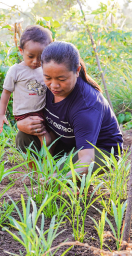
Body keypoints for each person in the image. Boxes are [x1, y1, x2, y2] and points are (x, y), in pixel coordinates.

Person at [16, 41, 123, 175]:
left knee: (62, 172)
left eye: (61, 79)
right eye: (48, 77)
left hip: (99, 151)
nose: (54, 85)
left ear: (77, 71)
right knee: (24, 136)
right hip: (68, 142)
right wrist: (22, 123)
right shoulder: (43, 87)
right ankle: (41, 178)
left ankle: (69, 182)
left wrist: (58, 178)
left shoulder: (86, 105)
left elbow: (86, 158)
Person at [0, 25, 53, 151]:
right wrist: (2, 115)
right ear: (21, 51)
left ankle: (47, 162)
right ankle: (46, 165)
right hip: (24, 113)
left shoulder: (45, 69)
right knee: (46, 139)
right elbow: (6, 93)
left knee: (47, 138)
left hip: (41, 111)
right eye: (31, 56)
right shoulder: (16, 70)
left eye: (40, 57)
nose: (35, 61)